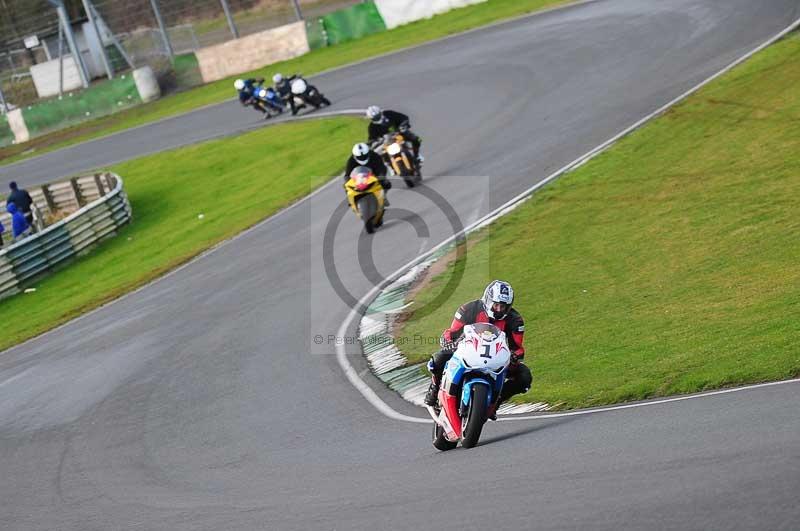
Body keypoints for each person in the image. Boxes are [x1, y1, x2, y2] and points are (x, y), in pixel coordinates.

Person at [424, 280, 532, 418]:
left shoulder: (516, 320)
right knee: (438, 359)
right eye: (496, 305)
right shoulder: (468, 309)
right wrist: (449, 342)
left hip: (494, 358)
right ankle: (434, 387)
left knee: (524, 377)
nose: (499, 309)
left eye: (503, 306)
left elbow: (517, 348)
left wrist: (514, 356)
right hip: (466, 351)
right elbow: (452, 332)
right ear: (488, 300)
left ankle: (496, 402)